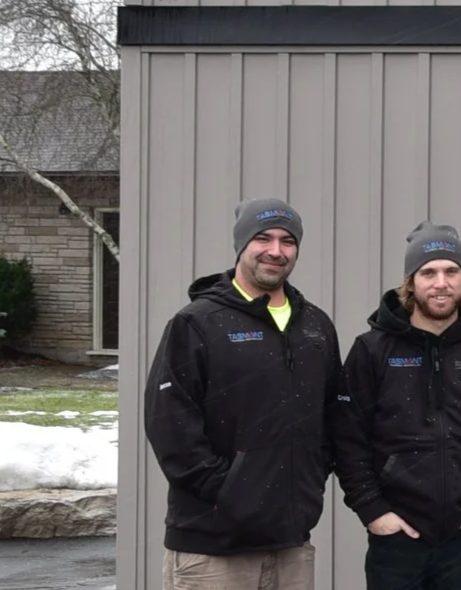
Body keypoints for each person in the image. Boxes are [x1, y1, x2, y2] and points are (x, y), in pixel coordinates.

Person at [145, 198, 343, 590]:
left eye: (288, 241)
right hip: (213, 549)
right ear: (242, 245)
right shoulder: (197, 323)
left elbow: (334, 415)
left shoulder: (315, 327)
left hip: (290, 546)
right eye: (263, 238)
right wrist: (230, 491)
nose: (276, 251)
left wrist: (307, 482)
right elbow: (170, 424)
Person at [335, 223, 461, 590]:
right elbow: (347, 438)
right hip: (396, 538)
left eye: (452, 271)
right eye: (429, 272)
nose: (441, 283)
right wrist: (374, 512)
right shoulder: (372, 351)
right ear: (410, 283)